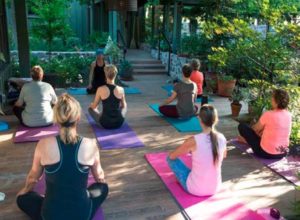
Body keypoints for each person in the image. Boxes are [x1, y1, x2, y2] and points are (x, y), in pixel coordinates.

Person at [16, 94, 108, 220]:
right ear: (78, 118)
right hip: (82, 215)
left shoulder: (43, 144)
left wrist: (25, 191)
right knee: (103, 188)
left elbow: (33, 178)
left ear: (56, 119)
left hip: (49, 216)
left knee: (22, 198)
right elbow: (100, 177)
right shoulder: (91, 144)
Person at [167, 105, 227, 196]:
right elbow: (224, 155)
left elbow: (172, 156)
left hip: (195, 189)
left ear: (199, 119)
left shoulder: (193, 140)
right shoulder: (222, 138)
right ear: (216, 119)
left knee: (169, 158)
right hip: (215, 188)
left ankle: (184, 180)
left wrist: (188, 146)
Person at [238, 89, 292, 159]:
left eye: (272, 97)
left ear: (276, 101)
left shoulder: (268, 114)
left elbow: (255, 129)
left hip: (265, 153)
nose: (271, 99)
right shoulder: (289, 115)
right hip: (283, 153)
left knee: (242, 126)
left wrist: (256, 132)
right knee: (263, 132)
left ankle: (246, 141)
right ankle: (249, 140)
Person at [89, 65, 127, 129]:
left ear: (105, 75)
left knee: (90, 109)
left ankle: (102, 114)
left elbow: (94, 106)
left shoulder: (100, 89)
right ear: (115, 75)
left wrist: (91, 105)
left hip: (105, 123)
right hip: (119, 123)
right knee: (124, 106)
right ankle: (110, 115)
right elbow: (124, 106)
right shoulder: (121, 89)